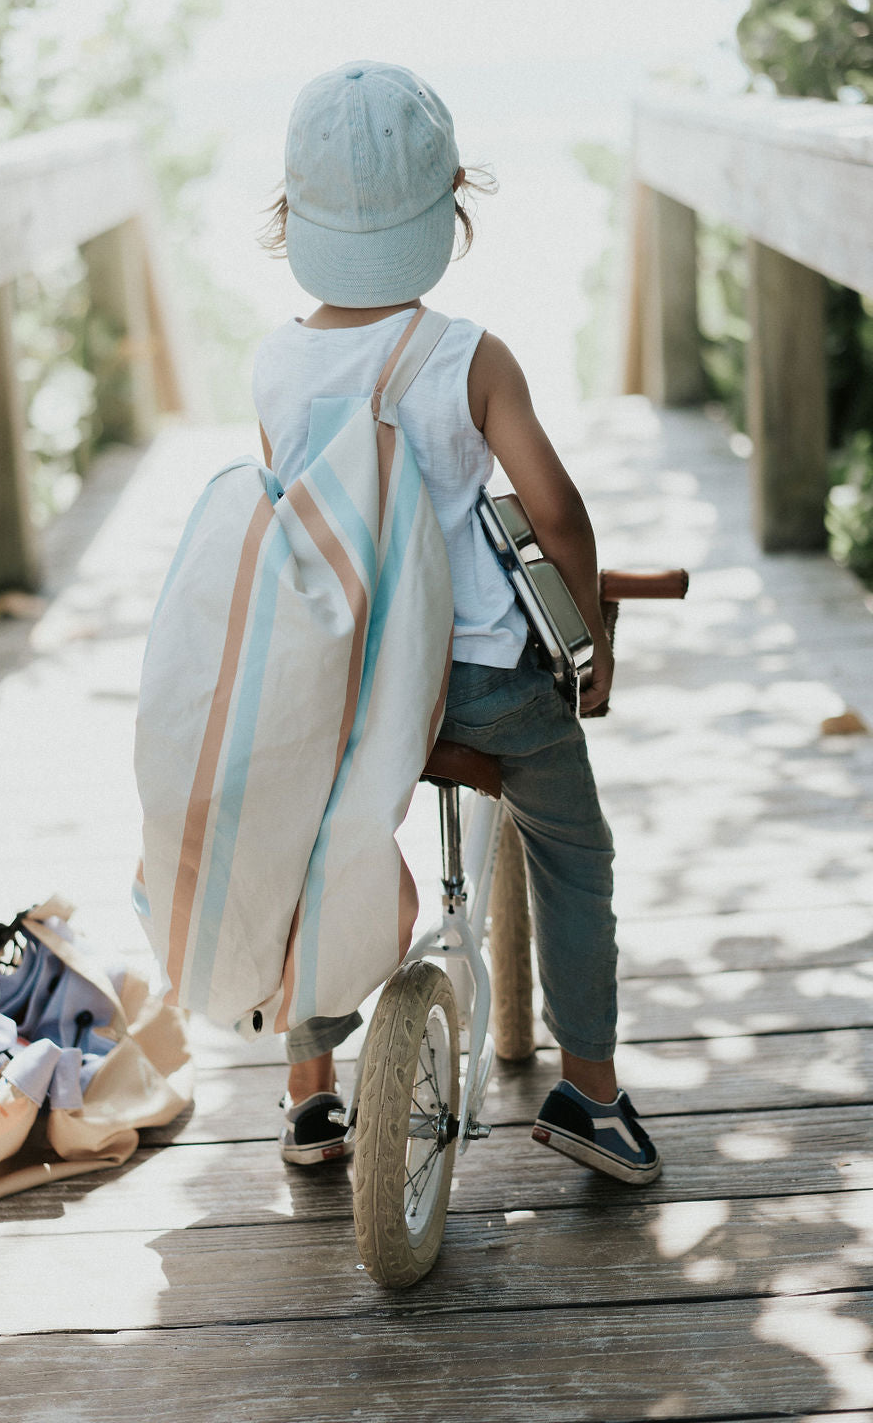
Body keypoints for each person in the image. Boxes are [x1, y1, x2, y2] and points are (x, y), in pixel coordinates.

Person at [252, 60, 660, 1185]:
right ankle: (590, 1088)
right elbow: (557, 515)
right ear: (450, 211)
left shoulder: (275, 363)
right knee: (574, 851)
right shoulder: (469, 357)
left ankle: (310, 1096)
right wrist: (591, 648)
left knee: (321, 850)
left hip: (344, 688)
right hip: (485, 683)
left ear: (294, 220)